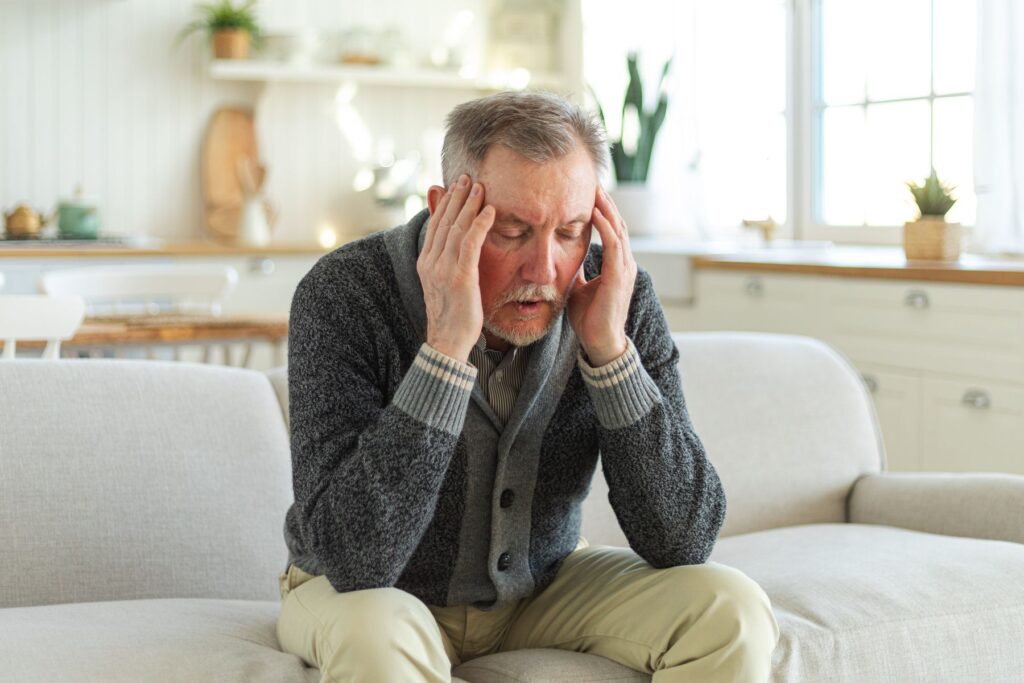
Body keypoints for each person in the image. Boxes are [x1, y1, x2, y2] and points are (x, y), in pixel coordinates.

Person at [276, 90, 780, 682]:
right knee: (375, 635)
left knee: (731, 609)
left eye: (569, 232)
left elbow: (685, 538)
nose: (544, 271)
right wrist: (444, 349)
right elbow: (355, 558)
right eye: (512, 231)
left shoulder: (616, 295)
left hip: (543, 588)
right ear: (445, 211)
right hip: (363, 593)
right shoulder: (343, 294)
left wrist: (610, 355)